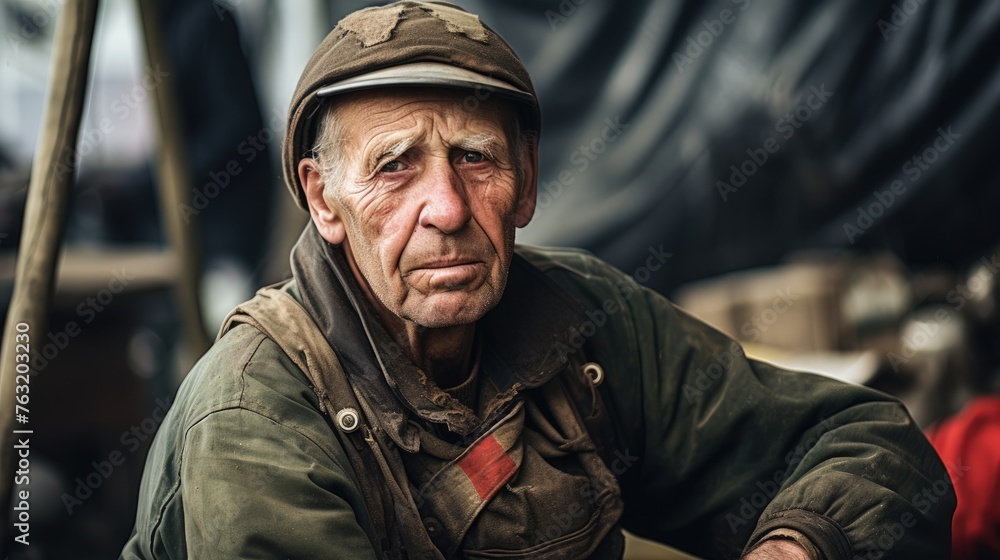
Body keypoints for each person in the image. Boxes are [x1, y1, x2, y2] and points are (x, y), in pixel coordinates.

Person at [121, 2, 954, 558]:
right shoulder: (256, 411)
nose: (446, 206)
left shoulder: (577, 322)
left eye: (475, 158)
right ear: (323, 200)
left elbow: (870, 444)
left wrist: (797, 545)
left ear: (524, 180)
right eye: (395, 168)